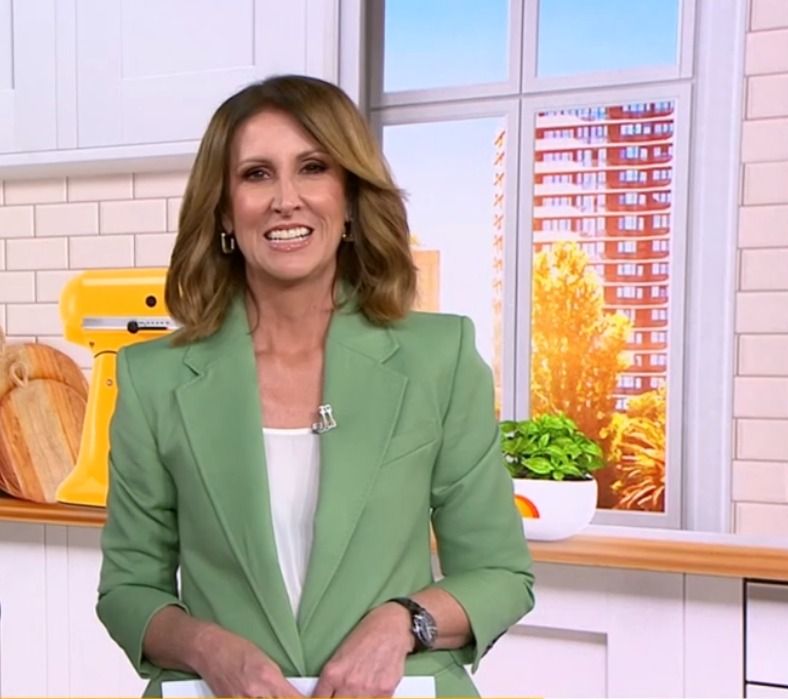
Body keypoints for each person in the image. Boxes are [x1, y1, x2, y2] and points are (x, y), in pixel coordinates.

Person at [96, 74, 534, 698]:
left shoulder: (441, 357)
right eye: (256, 174)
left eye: (313, 168)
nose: (286, 200)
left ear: (349, 199)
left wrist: (403, 623)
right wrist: (207, 647)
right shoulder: (152, 379)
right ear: (223, 210)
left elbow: (500, 573)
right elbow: (129, 590)